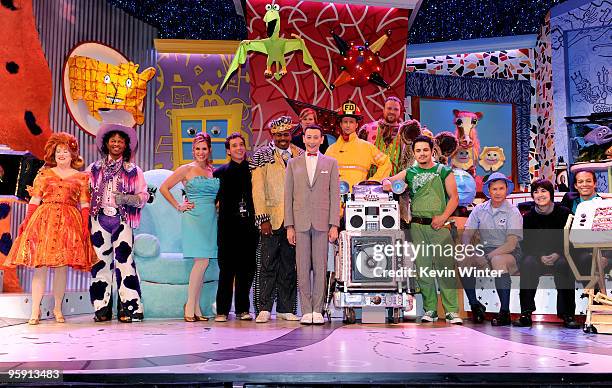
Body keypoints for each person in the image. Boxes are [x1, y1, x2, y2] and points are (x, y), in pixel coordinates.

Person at [4, 133, 95, 325]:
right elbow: (35, 199)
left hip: (68, 222)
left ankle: (57, 308)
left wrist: (86, 223)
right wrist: (26, 221)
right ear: (54, 153)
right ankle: (35, 310)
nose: (62, 154)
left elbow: (84, 203)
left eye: (65, 151)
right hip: (44, 221)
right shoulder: (44, 173)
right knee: (41, 267)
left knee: (61, 267)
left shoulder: (81, 177)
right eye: (58, 151)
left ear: (73, 154)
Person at [383, 135, 462, 325]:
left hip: (440, 226)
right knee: (423, 270)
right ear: (414, 152)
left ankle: (451, 311)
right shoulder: (410, 172)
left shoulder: (443, 171)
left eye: (425, 150)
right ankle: (430, 310)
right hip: (417, 226)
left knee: (445, 270)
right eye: (418, 150)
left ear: (432, 150)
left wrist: (443, 217)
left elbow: (454, 198)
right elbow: (387, 182)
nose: (422, 153)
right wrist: (394, 185)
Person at [88, 123, 149, 323]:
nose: (116, 144)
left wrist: (126, 198)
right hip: (99, 220)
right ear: (106, 144)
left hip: (122, 220)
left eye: (120, 141)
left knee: (124, 263)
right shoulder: (94, 168)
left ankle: (128, 308)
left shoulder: (133, 170)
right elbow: (83, 191)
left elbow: (144, 194)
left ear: (125, 145)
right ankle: (101, 308)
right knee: (100, 263)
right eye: (113, 141)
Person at [160, 132, 219, 322]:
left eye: (204, 148)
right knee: (201, 262)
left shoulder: (212, 170)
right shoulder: (186, 169)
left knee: (204, 263)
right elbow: (164, 188)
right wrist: (179, 205)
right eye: (197, 149)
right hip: (193, 218)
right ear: (192, 150)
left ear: (209, 150)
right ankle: (189, 306)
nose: (200, 152)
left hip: (210, 219)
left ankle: (196, 309)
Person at [284, 125, 340, 325]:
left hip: (322, 222)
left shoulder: (331, 163)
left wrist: (334, 224)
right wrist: (289, 226)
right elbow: (288, 196)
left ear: (322, 139)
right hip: (299, 222)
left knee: (320, 266)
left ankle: (318, 310)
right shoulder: (292, 163)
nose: (313, 140)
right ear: (304, 139)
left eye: (316, 137)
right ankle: (306, 309)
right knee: (302, 268)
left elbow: (335, 195)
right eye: (309, 137)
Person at [251, 116, 303, 323]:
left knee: (289, 266)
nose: (283, 138)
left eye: (286, 134)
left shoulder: (300, 154)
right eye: (279, 135)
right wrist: (262, 218)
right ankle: (263, 307)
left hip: (295, 219)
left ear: (291, 135)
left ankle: (285, 308)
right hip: (271, 218)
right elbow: (258, 190)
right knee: (267, 263)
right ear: (272, 136)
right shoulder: (261, 156)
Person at [512, 179, 580, 329]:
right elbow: (527, 244)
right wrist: (540, 256)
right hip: (537, 256)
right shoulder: (528, 217)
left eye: (543, 191)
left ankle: (568, 314)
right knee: (527, 263)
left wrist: (558, 254)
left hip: (561, 254)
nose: (539, 195)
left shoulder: (564, 213)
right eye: (536, 192)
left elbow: (571, 239)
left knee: (564, 264)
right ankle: (526, 313)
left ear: (551, 194)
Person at [459, 173, 522, 326]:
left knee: (498, 260)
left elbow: (511, 244)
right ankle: (475, 306)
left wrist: (487, 257)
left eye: (501, 188)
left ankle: (505, 312)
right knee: (463, 258)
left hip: (509, 252)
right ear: (488, 190)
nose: (498, 192)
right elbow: (467, 234)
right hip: (486, 250)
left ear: (506, 190)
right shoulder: (479, 210)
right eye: (494, 189)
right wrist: (469, 250)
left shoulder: (513, 212)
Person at [213, 133, 258, 322]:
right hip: (227, 228)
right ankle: (222, 310)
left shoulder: (255, 171)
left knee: (246, 270)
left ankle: (243, 310)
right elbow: (212, 201)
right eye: (234, 145)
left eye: (241, 144)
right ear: (228, 151)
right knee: (226, 269)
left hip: (249, 226)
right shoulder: (219, 173)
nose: (239, 148)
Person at [325, 100, 391, 190]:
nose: (348, 125)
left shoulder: (367, 147)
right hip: (335, 198)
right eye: (345, 122)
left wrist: (373, 182)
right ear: (340, 124)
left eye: (351, 122)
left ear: (356, 125)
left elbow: (386, 162)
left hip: (358, 198)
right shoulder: (331, 149)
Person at [358, 96, 405, 175]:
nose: (392, 112)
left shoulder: (404, 132)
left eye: (396, 109)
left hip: (395, 183)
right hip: (372, 181)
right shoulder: (367, 129)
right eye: (389, 108)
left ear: (400, 112)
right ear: (383, 110)